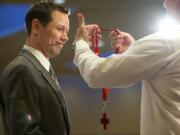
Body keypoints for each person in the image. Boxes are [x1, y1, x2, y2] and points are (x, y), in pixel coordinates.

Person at [73, 0, 180, 135]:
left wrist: (80, 43)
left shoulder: (167, 42)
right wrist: (134, 51)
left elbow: (97, 74)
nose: (164, 3)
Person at [0, 1, 71, 135]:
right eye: (60, 29)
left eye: (66, 31)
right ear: (36, 26)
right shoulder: (22, 70)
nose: (65, 37)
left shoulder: (38, 69)